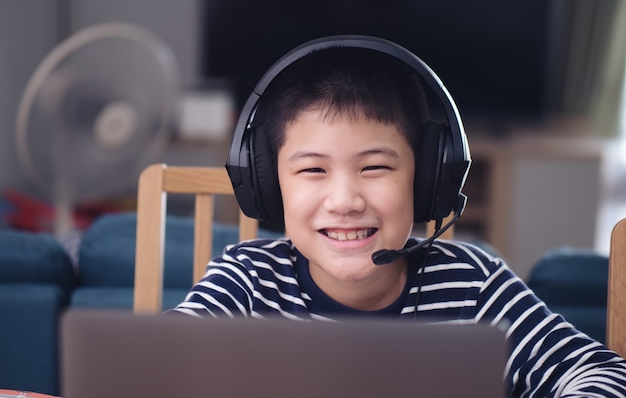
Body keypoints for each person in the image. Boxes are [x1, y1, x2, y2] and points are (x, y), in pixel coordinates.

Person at [172, 36, 626, 397]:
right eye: (313, 170)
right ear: (268, 187)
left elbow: (599, 373)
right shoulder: (247, 281)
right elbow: (158, 360)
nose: (344, 200)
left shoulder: (474, 286)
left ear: (428, 179)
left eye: (374, 167)